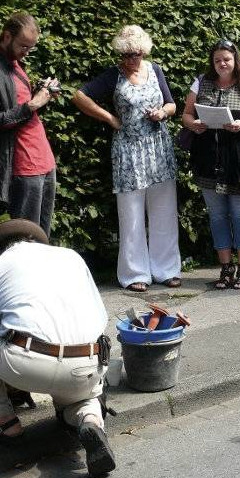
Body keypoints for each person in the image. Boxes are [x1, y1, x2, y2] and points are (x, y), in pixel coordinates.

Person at [0, 220, 115, 477]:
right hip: (91, 362)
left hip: (30, 364)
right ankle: (90, 421)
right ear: (32, 241)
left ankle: (2, 422)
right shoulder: (70, 256)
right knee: (81, 397)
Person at [72, 25, 181, 292]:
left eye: (137, 54)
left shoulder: (155, 70)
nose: (132, 59)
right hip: (129, 150)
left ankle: (167, 270)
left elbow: (172, 104)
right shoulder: (113, 75)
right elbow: (79, 95)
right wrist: (110, 118)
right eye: (127, 54)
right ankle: (135, 274)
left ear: (144, 51)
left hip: (158, 148)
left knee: (164, 211)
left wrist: (163, 113)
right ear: (120, 53)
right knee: (131, 214)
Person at [181, 39, 240, 290]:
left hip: (239, 158)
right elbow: (186, 114)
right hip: (209, 157)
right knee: (217, 215)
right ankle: (225, 268)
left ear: (235, 60)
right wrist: (193, 124)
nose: (222, 64)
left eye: (226, 59)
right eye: (217, 60)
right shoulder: (201, 82)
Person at [0, 12, 60, 238]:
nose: (27, 52)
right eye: (23, 46)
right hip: (23, 166)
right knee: (26, 240)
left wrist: (44, 94)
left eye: (31, 48)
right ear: (6, 36)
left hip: (44, 160)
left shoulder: (15, 63)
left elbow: (22, 106)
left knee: (43, 236)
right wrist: (32, 105)